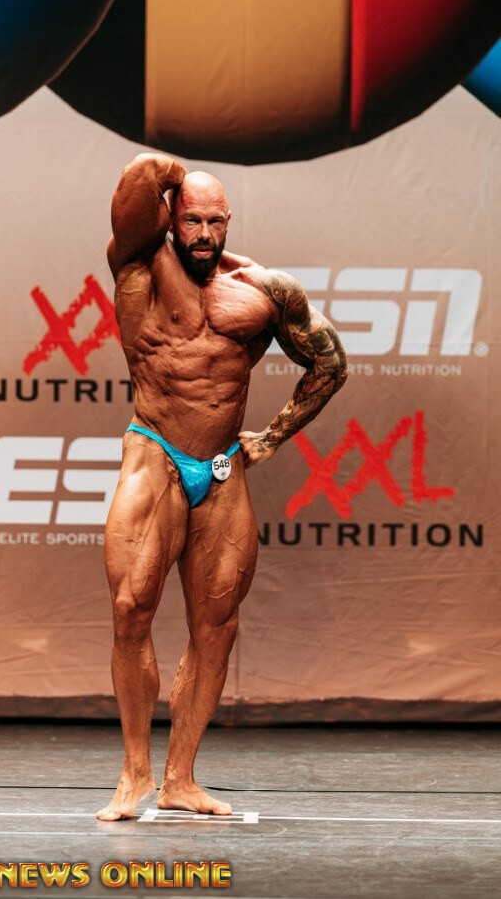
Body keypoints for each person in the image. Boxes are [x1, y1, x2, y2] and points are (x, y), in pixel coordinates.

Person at [97, 153, 347, 821]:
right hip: (154, 450)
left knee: (216, 626)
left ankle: (179, 778)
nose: (204, 233)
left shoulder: (264, 290)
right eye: (192, 220)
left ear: (229, 221)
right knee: (131, 608)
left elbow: (330, 362)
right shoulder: (138, 264)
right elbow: (134, 184)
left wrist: (274, 435)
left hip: (222, 467)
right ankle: (134, 773)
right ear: (171, 218)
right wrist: (170, 171)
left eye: (215, 221)